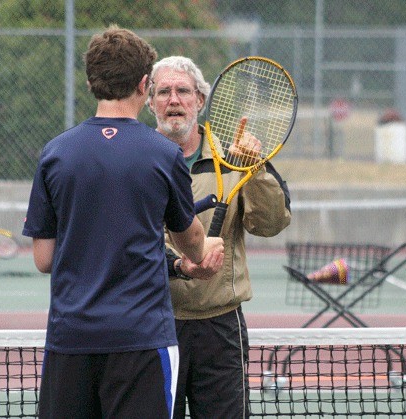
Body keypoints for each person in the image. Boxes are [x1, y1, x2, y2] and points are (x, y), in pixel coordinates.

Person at [22, 27, 223, 419]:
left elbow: (43, 258)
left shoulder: (55, 154)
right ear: (145, 85)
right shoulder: (163, 154)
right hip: (142, 342)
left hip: (70, 340)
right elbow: (191, 243)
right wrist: (204, 249)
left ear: (90, 82)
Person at [147, 56, 292, 419]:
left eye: (183, 91)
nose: (173, 100)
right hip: (153, 326)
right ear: (149, 102)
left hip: (220, 328)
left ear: (200, 99)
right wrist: (181, 264)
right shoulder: (135, 160)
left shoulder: (236, 157)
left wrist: (254, 169)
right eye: (163, 92)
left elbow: (271, 223)